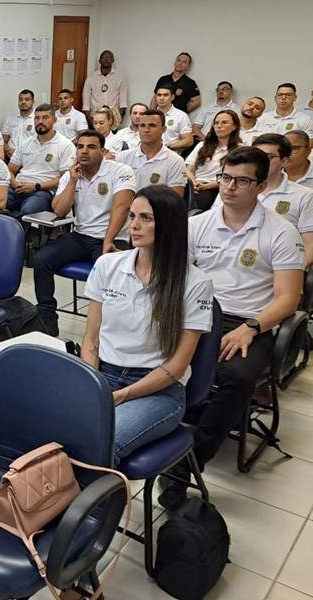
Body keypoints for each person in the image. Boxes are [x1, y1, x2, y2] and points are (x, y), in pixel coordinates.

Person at [159, 146, 304, 509]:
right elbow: (173, 277)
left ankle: (187, 465)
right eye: (225, 177)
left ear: (260, 184)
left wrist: (251, 328)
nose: (230, 187)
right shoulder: (196, 224)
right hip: (197, 312)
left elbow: (288, 300)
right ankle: (156, 428)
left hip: (249, 321)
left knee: (237, 377)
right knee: (148, 352)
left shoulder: (281, 232)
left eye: (242, 180)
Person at [81, 185, 214, 464]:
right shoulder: (108, 266)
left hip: (158, 390)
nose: (134, 225)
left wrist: (121, 395)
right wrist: (93, 386)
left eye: (146, 218)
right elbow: (91, 341)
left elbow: (176, 367)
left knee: (100, 445)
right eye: (132, 216)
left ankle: (89, 507)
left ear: (169, 225)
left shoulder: (195, 282)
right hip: (103, 375)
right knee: (53, 428)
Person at [33, 130, 136, 336]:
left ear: (103, 151)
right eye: (80, 147)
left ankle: (111, 325)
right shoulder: (71, 175)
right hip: (80, 236)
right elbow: (59, 210)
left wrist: (108, 241)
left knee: (109, 272)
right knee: (41, 259)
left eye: (91, 147)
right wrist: (72, 182)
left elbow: (122, 207)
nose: (84, 151)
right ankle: (47, 317)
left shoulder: (120, 171)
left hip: (113, 237)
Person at [251, 133, 313, 268]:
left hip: (282, 267)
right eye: (256, 156)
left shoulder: (305, 196)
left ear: (284, 161)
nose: (261, 162)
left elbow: (310, 245)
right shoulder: (234, 188)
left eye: (269, 157)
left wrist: (289, 273)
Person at [5, 104, 76, 218]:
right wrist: (14, 183)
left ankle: (16, 231)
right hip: (18, 187)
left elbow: (65, 179)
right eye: (37, 118)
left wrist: (36, 186)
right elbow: (9, 170)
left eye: (45, 117)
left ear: (54, 120)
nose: (40, 121)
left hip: (42, 191)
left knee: (28, 210)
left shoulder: (65, 145)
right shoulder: (25, 143)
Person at [116, 109, 187, 197]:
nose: (146, 130)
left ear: (163, 129)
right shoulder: (122, 157)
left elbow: (175, 200)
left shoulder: (175, 161)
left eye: (152, 125)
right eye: (142, 125)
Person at [186, 109, 241, 210]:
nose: (219, 126)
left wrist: (205, 186)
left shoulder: (240, 149)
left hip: (217, 187)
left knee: (199, 205)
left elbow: (234, 177)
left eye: (224, 122)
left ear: (234, 126)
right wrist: (193, 183)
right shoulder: (202, 145)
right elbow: (189, 169)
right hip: (195, 185)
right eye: (216, 123)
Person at [82, 49, 128, 122]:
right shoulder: (91, 78)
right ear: (99, 61)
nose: (106, 59)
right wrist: (89, 119)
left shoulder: (120, 78)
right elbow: (86, 102)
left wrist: (119, 118)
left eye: (108, 57)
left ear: (112, 60)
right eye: (103, 57)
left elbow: (123, 101)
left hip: (112, 118)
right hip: (95, 117)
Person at [153, 86, 194, 152]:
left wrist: (166, 147)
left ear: (172, 97)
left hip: (170, 155)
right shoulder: (150, 115)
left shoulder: (181, 116)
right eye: (159, 95)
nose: (162, 98)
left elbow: (188, 140)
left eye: (165, 95)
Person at [2, 89, 36, 159]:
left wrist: (20, 154)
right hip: (10, 156)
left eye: (27, 99)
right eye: (20, 99)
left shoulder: (38, 119)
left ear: (33, 102)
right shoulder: (10, 119)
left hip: (30, 158)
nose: (23, 102)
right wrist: (8, 150)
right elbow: (3, 140)